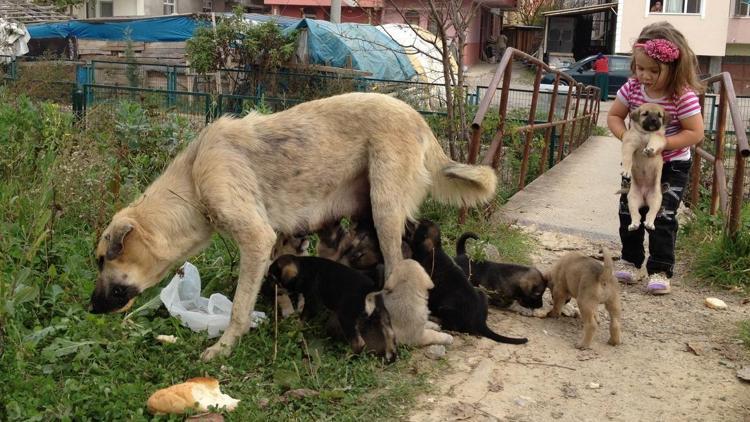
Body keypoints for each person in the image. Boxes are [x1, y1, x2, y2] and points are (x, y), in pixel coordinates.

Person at [606, 22, 704, 294]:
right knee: (629, 209)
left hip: (672, 165)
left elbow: (695, 132)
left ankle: (660, 268)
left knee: (663, 214)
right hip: (636, 164)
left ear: (674, 68)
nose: (645, 75)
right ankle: (630, 260)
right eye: (640, 68)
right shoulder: (632, 89)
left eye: (653, 70)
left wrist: (664, 144)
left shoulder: (682, 96)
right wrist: (627, 137)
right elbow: (614, 116)